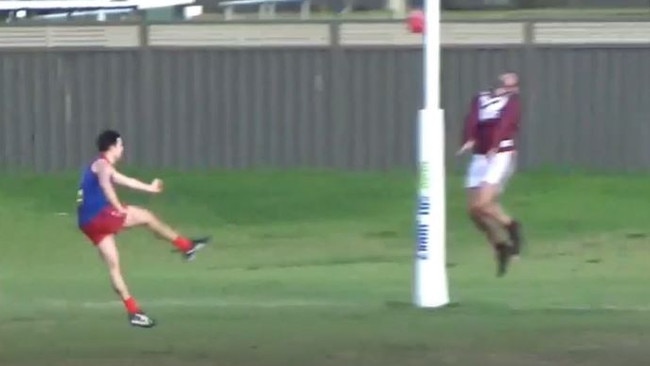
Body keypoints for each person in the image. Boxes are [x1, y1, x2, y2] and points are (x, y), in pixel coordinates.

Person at [76, 130, 210, 328]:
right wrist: (118, 206)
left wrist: (150, 188)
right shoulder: (103, 165)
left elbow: (127, 181)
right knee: (147, 217)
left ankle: (134, 312)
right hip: (100, 216)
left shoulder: (98, 165)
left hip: (87, 223)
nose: (123, 149)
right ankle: (186, 246)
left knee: (114, 266)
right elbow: (106, 185)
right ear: (113, 146)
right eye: (121, 145)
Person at [456, 72, 524, 277]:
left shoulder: (512, 103)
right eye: (505, 82)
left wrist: (494, 145)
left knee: (483, 203)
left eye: (512, 84)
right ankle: (500, 246)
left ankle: (512, 227)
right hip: (479, 157)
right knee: (473, 211)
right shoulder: (481, 98)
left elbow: (506, 124)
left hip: (500, 154)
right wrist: (468, 139)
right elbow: (473, 119)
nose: (507, 86)